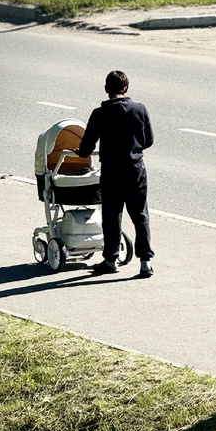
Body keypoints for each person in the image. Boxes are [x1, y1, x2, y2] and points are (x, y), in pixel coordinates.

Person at [77, 70, 154, 279]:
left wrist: (80, 152)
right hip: (136, 169)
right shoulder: (140, 109)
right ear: (126, 88)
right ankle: (145, 263)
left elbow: (86, 147)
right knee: (140, 214)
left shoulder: (99, 114)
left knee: (112, 215)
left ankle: (111, 260)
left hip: (112, 172)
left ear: (106, 90)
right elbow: (148, 141)